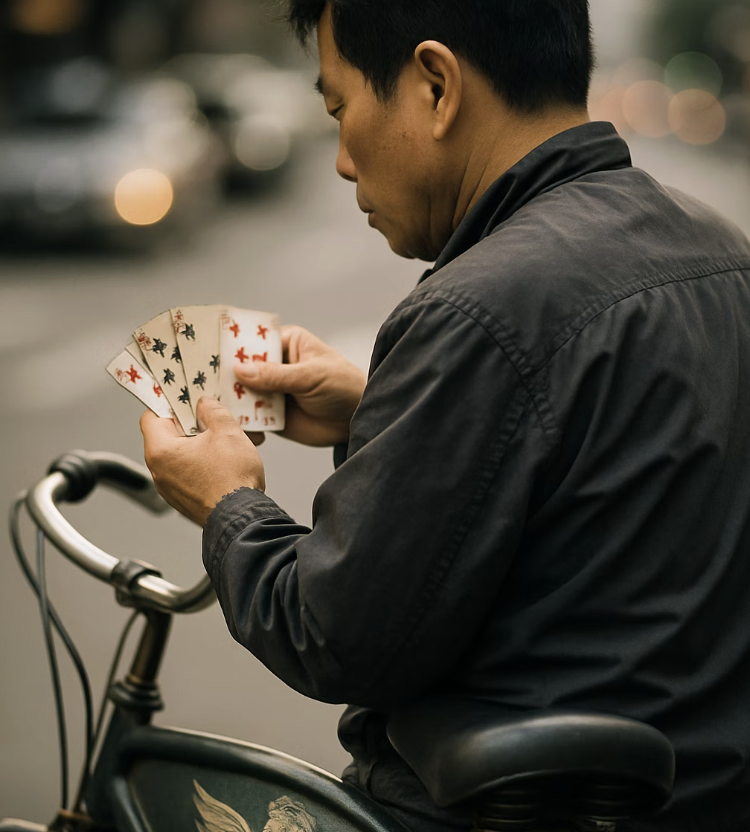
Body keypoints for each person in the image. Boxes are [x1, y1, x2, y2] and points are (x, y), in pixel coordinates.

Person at [139, 2, 750, 831]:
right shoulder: (723, 252)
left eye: (338, 109)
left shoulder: (481, 307)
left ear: (435, 84)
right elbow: (613, 490)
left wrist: (228, 503)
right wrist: (377, 414)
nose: (344, 162)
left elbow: (336, 635)